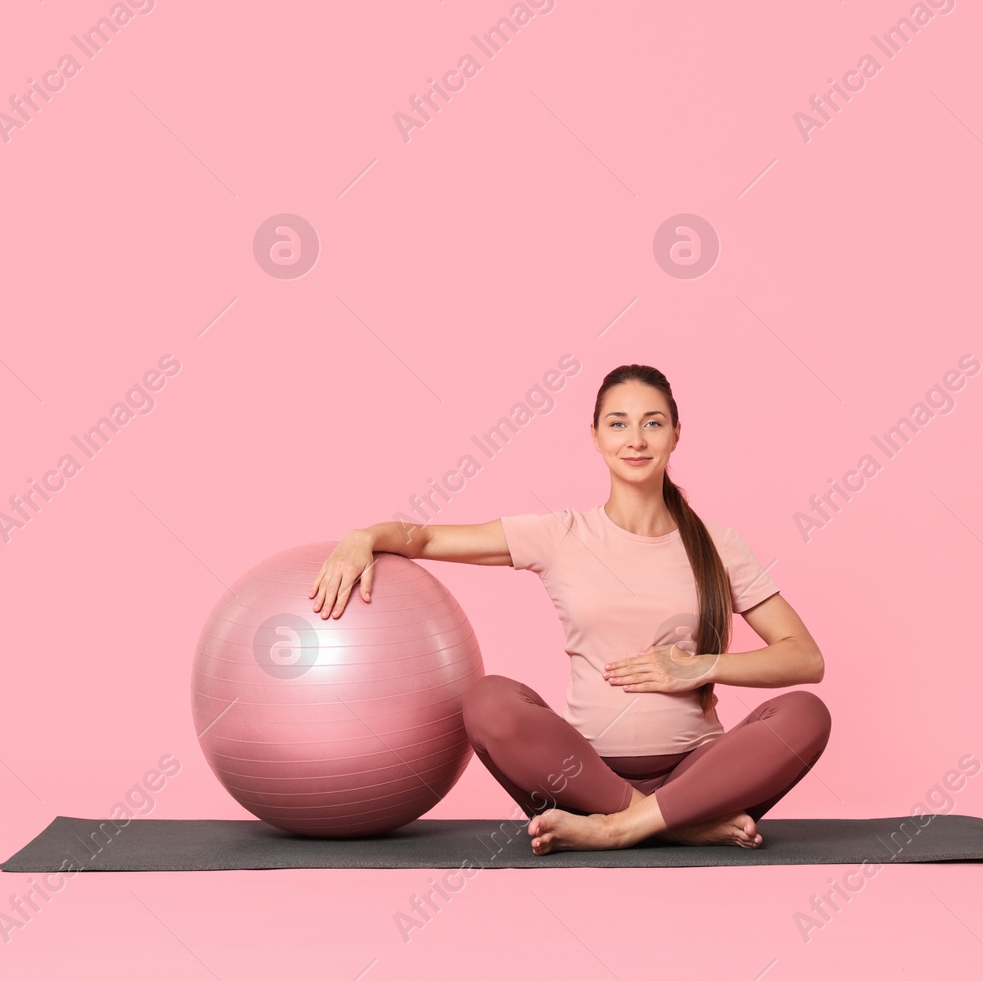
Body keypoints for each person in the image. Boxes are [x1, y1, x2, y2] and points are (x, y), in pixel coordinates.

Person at [308, 364, 830, 855]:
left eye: (653, 423)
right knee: (488, 699)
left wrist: (700, 667)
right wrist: (363, 537)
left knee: (806, 714)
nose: (636, 439)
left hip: (703, 774)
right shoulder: (559, 535)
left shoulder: (719, 544)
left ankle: (622, 829)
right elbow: (423, 537)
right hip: (581, 776)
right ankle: (665, 823)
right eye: (618, 423)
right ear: (596, 436)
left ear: (675, 435)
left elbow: (805, 658)